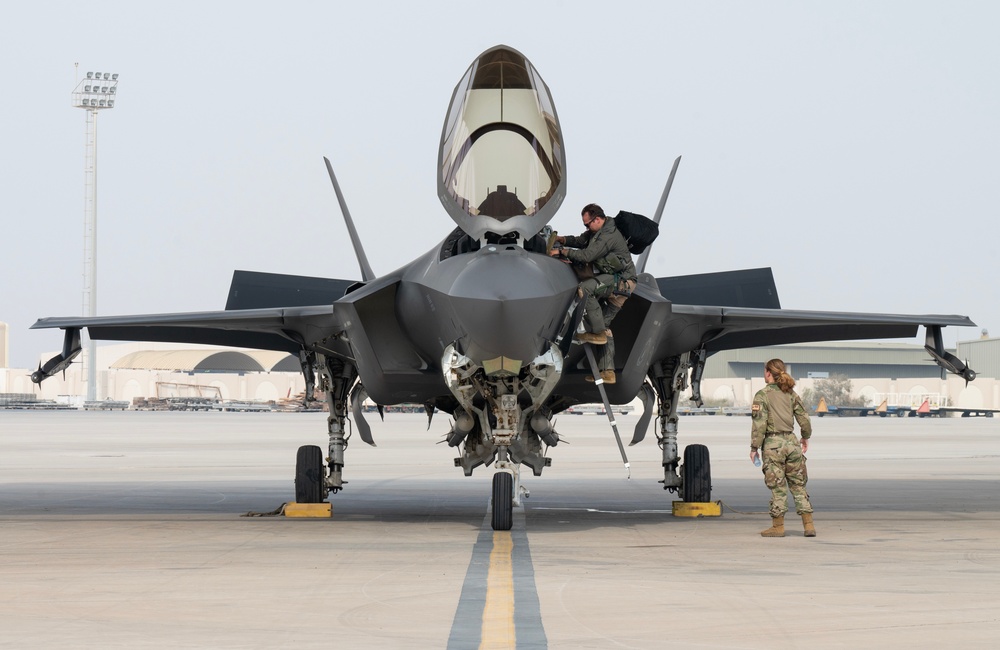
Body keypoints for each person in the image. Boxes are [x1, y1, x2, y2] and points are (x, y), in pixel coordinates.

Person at [549, 204, 637, 383]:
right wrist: (563, 239)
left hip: (622, 283)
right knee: (604, 327)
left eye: (587, 224)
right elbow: (581, 241)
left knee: (585, 289)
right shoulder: (597, 232)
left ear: (597, 219)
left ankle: (597, 333)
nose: (586, 228)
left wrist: (560, 251)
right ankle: (608, 372)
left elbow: (587, 255)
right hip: (619, 283)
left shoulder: (607, 236)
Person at [749, 358, 816, 538]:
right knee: (798, 485)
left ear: (768, 373)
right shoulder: (791, 394)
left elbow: (759, 424)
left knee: (778, 487)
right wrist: (805, 437)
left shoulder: (762, 395)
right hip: (792, 443)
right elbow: (804, 419)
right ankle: (808, 526)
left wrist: (754, 447)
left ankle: (778, 527)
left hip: (773, 445)